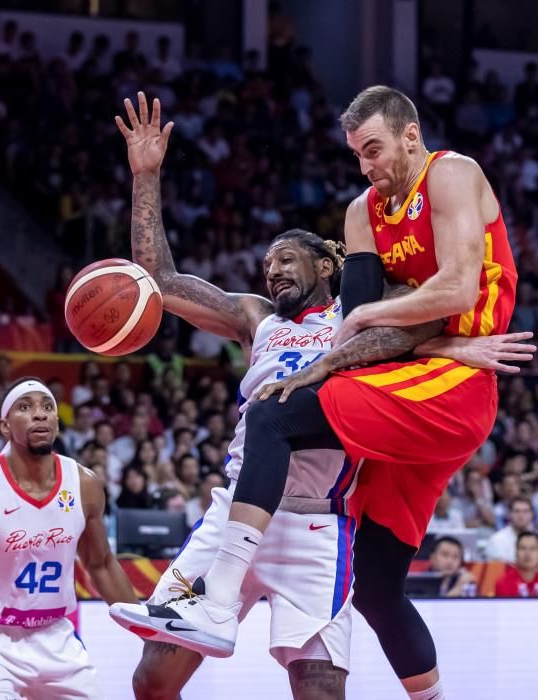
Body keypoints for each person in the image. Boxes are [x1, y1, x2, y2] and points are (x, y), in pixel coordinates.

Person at [110, 87, 532, 700]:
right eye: (266, 264)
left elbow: (433, 316)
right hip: (237, 515)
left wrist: (450, 349)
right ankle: (218, 598)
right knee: (151, 681)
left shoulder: (366, 313)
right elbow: (161, 281)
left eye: (286, 259)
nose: (273, 270)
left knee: (319, 689)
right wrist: (146, 178)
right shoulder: (257, 319)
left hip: (317, 526)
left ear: (329, 265)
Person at [0, 377, 137, 700]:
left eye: (48, 407)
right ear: (5, 426)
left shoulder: (84, 484)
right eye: (26, 407)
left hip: (56, 638)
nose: (40, 414)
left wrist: (146, 632)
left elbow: (102, 564)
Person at [486, 496, 535, 563]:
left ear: (532, 514)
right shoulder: (497, 540)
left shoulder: (536, 537)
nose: (521, 516)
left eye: (525, 511)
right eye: (517, 511)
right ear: (509, 514)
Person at [494, 531, 538, 597]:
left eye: (533, 549)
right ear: (516, 552)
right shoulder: (503, 582)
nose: (527, 554)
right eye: (523, 548)